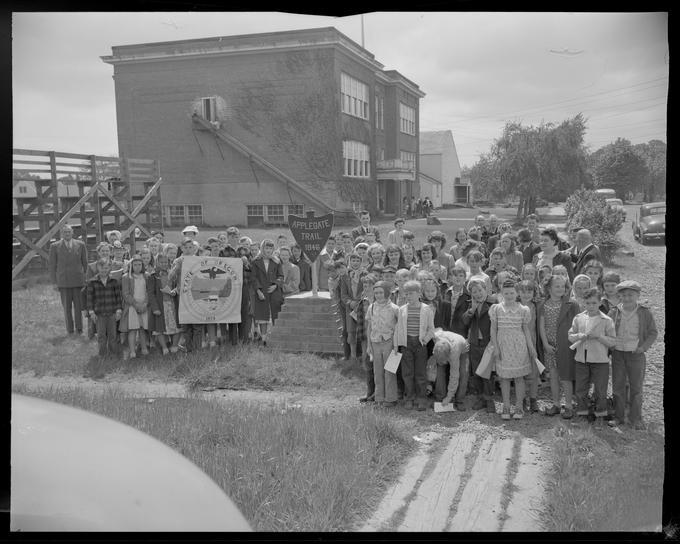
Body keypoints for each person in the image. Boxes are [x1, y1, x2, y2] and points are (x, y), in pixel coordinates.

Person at [608, 280, 658, 429]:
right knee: (618, 386)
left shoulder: (644, 312)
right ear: (619, 296)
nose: (627, 298)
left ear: (637, 295)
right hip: (618, 354)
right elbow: (607, 331)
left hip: (636, 354)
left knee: (636, 387)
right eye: (624, 295)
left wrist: (643, 347)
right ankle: (619, 417)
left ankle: (635, 418)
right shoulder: (614, 312)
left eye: (631, 295)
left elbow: (653, 332)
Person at [490, 279, 536, 420]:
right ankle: (506, 405)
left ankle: (519, 407)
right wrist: (495, 347)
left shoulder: (523, 310)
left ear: (517, 293)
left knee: (518, 377)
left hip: (519, 346)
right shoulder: (496, 309)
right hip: (503, 346)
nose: (509, 295)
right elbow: (493, 329)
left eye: (512, 293)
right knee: (504, 377)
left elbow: (526, 330)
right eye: (506, 293)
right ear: (502, 293)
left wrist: (531, 347)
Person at [568, 288, 617, 420]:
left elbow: (613, 342)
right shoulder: (579, 318)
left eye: (594, 303)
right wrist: (579, 336)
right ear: (584, 303)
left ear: (600, 302)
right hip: (581, 361)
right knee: (581, 389)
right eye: (588, 303)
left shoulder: (606, 320)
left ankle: (600, 414)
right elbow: (570, 336)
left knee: (601, 390)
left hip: (600, 361)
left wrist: (599, 337)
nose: (590, 306)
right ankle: (582, 413)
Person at [538, 275, 580, 418]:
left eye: (563, 286)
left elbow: (578, 325)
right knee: (553, 376)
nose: (561, 289)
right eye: (557, 286)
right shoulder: (543, 305)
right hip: (550, 347)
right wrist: (545, 344)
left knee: (566, 377)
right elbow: (542, 327)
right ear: (548, 288)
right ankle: (556, 404)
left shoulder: (571, 304)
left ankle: (568, 405)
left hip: (566, 346)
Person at [394, 280, 436, 411]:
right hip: (406, 344)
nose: (408, 296)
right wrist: (396, 345)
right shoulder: (402, 310)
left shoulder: (426, 309)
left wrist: (425, 339)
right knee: (407, 373)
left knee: (420, 373)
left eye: (411, 293)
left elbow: (431, 329)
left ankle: (421, 398)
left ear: (419, 293)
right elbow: (398, 328)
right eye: (406, 294)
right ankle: (409, 398)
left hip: (420, 345)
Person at [462, 278, 496, 413]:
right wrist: (472, 310)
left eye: (480, 290)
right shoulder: (470, 305)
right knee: (477, 371)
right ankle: (480, 397)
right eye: (474, 292)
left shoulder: (493, 303)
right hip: (475, 342)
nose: (477, 294)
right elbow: (464, 321)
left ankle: (489, 399)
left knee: (488, 372)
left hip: (488, 342)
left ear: (485, 290)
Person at [49, 224, 89, 335]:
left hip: (78, 281)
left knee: (78, 306)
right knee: (67, 308)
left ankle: (79, 328)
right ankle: (70, 330)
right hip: (64, 281)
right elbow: (52, 266)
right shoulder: (54, 246)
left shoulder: (80, 245)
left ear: (72, 233)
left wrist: (87, 278)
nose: (67, 234)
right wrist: (54, 282)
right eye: (65, 232)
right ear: (61, 233)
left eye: (69, 231)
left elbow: (85, 263)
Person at [85, 258, 123, 358]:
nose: (104, 270)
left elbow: (118, 297)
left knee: (113, 335)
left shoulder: (114, 281)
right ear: (97, 268)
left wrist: (119, 310)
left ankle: (113, 353)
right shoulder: (92, 282)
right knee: (101, 335)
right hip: (99, 313)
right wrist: (91, 312)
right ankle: (102, 354)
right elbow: (89, 299)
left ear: (109, 268)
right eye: (101, 268)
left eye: (106, 268)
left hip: (112, 312)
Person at [146, 253, 182, 354]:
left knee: (176, 326)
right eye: (161, 262)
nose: (164, 264)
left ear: (169, 262)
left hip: (173, 304)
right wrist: (155, 308)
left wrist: (175, 291)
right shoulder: (153, 276)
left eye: (165, 262)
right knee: (160, 327)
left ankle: (174, 346)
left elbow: (178, 286)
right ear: (157, 263)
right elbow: (150, 293)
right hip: (160, 305)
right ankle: (164, 347)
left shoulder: (172, 274)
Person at [251, 239, 284, 344]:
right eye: (266, 248)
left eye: (270, 248)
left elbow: (281, 276)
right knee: (262, 315)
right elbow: (254, 278)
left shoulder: (277, 261)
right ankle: (264, 339)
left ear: (273, 249)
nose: (268, 250)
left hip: (274, 292)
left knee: (275, 313)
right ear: (262, 248)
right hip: (261, 291)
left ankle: (275, 337)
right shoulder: (256, 261)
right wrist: (258, 291)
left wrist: (275, 285)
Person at [119, 255, 150, 360]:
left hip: (144, 305)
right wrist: (136, 304)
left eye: (139, 264)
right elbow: (126, 294)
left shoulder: (146, 276)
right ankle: (132, 350)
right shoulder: (127, 277)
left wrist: (145, 303)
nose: (137, 267)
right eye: (135, 265)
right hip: (132, 306)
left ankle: (144, 348)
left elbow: (149, 291)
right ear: (131, 265)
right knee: (133, 329)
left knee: (142, 328)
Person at [517, 280, 540, 413]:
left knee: (534, 373)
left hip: (533, 343)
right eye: (523, 291)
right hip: (519, 344)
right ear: (518, 293)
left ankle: (533, 399)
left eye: (529, 291)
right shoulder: (515, 306)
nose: (526, 294)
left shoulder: (536, 306)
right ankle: (522, 398)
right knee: (521, 374)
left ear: (534, 293)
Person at [356, 273, 378, 403]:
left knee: (378, 366)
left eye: (370, 284)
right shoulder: (363, 301)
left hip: (378, 338)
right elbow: (359, 321)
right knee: (368, 364)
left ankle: (378, 393)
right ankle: (369, 392)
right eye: (365, 285)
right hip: (366, 338)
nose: (367, 287)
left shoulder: (380, 300)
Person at [435, 330, 470, 411]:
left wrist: (449, 396)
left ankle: (459, 400)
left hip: (462, 350)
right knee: (440, 372)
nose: (443, 363)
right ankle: (440, 398)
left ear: (448, 357)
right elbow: (436, 330)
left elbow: (454, 376)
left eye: (444, 361)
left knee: (463, 374)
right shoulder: (436, 338)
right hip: (446, 347)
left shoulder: (454, 352)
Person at [340, 252, 365, 363]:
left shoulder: (365, 274)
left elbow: (366, 290)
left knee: (362, 331)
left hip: (362, 306)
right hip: (350, 308)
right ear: (349, 262)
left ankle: (364, 355)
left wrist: (358, 302)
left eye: (357, 261)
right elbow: (343, 294)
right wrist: (350, 302)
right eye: (353, 260)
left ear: (361, 262)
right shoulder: (345, 276)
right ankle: (353, 355)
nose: (355, 263)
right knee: (351, 331)